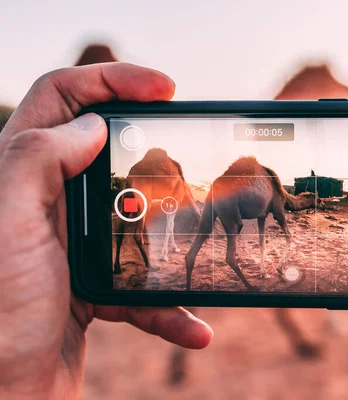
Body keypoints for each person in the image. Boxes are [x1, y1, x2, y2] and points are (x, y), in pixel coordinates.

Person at [0, 63, 213, 398]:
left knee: (131, 229)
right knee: (138, 232)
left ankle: (119, 264)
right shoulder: (174, 175)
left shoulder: (139, 168)